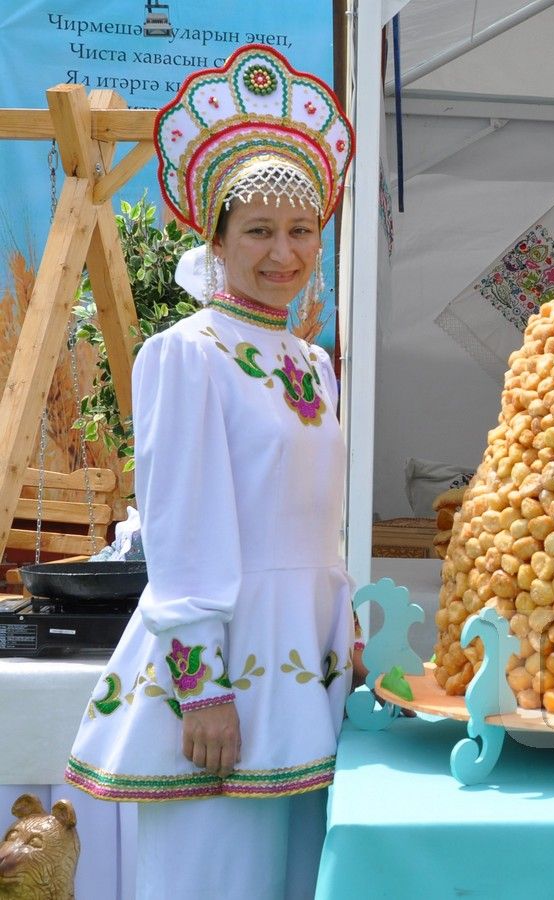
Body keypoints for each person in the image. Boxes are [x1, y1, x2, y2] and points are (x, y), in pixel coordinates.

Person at [65, 44, 354, 899]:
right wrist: (202, 689)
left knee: (295, 878)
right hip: (223, 670)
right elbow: (182, 523)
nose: (284, 252)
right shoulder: (186, 354)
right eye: (259, 231)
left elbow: (311, 518)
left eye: (300, 231)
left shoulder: (313, 360)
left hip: (304, 663)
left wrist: (342, 628)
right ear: (217, 240)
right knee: (213, 878)